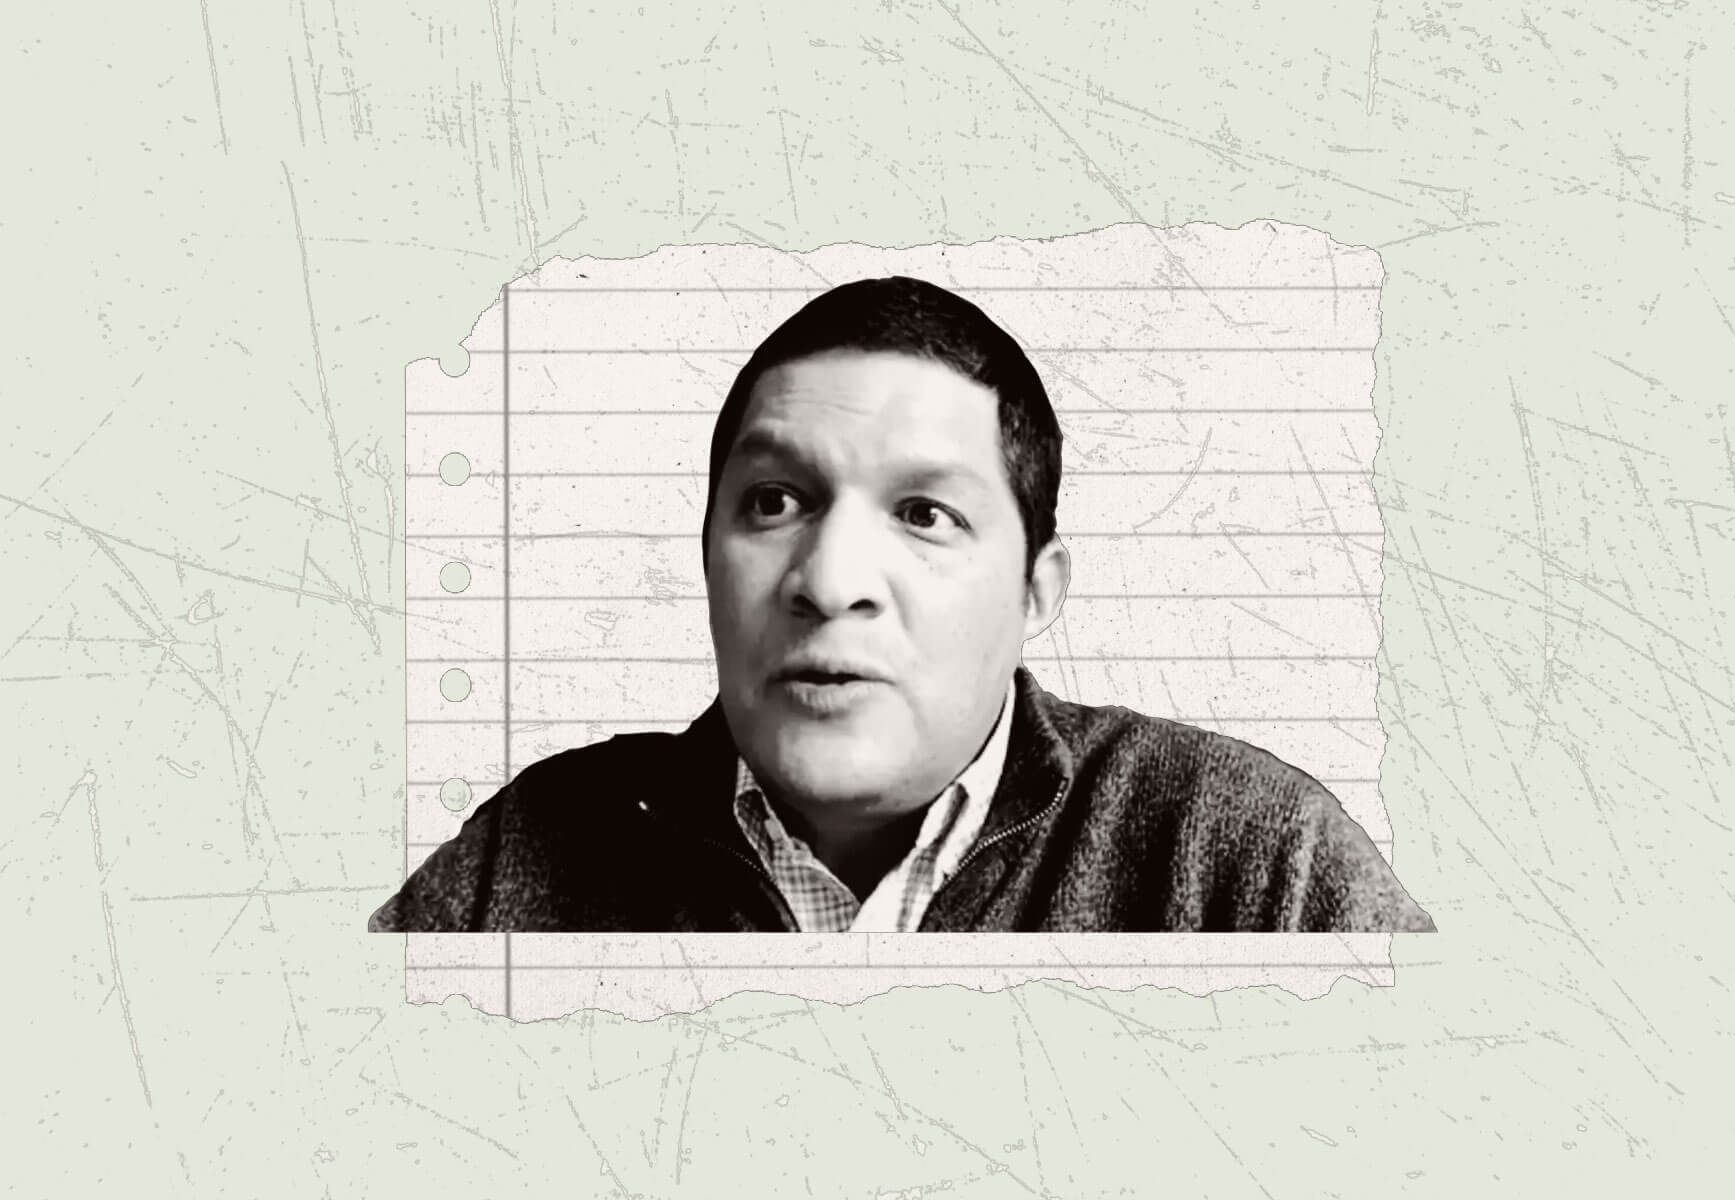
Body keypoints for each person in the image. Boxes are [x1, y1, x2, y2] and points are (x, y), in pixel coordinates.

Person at [370, 277, 1435, 934]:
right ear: (705, 559)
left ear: (1036, 593)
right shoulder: (522, 861)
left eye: (925, 514)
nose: (830, 581)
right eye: (774, 502)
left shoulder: (1252, 864)